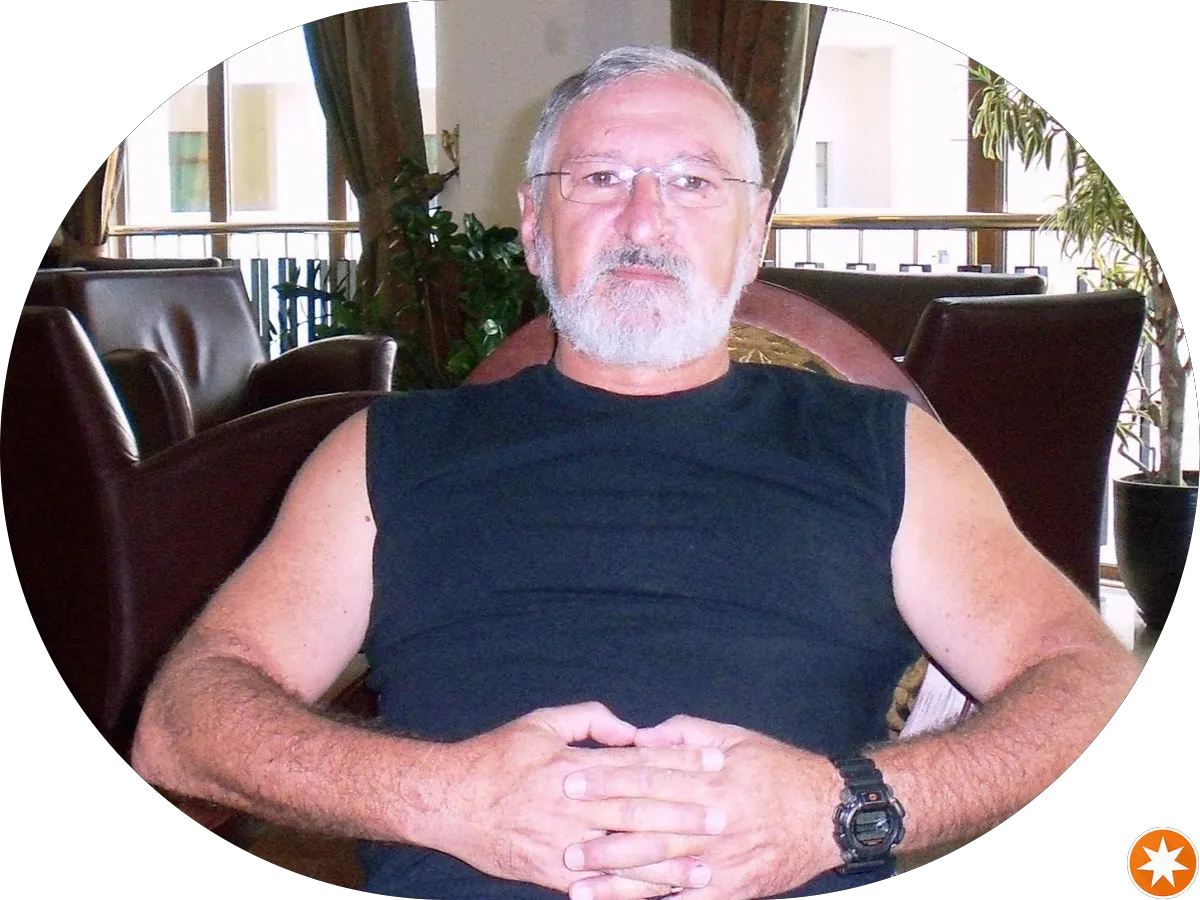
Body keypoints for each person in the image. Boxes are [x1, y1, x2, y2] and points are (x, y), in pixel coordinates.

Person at [130, 46, 1143, 900]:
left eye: (694, 182)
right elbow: (181, 723)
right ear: (535, 227)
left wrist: (841, 809)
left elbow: (1090, 683)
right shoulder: (386, 452)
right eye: (600, 178)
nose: (645, 220)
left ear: (755, 235)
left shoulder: (885, 448)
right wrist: (447, 800)